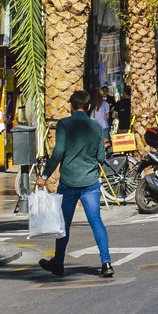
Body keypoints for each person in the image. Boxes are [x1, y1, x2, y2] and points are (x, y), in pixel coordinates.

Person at [38, 91, 113, 279]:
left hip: (69, 181)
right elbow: (101, 157)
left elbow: (58, 152)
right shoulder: (96, 126)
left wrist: (45, 175)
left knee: (64, 224)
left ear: (71, 106)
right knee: (96, 221)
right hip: (90, 183)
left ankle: (59, 263)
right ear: (88, 107)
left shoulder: (64, 124)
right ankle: (106, 263)